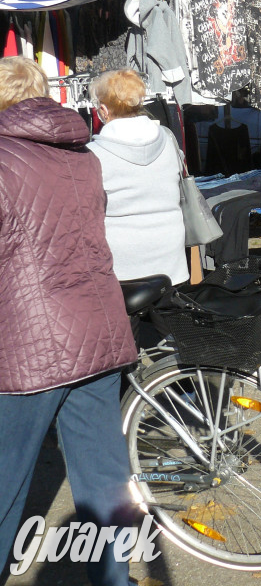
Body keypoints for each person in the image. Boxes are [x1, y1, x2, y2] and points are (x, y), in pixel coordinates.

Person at [0, 57, 138, 585]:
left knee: (6, 479)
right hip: (95, 329)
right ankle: (114, 578)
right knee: (104, 475)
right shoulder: (83, 155)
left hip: (27, 343)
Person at [87, 68, 189, 285]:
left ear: (104, 110)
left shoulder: (93, 154)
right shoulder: (169, 140)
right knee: (169, 316)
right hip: (170, 254)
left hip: (121, 263)